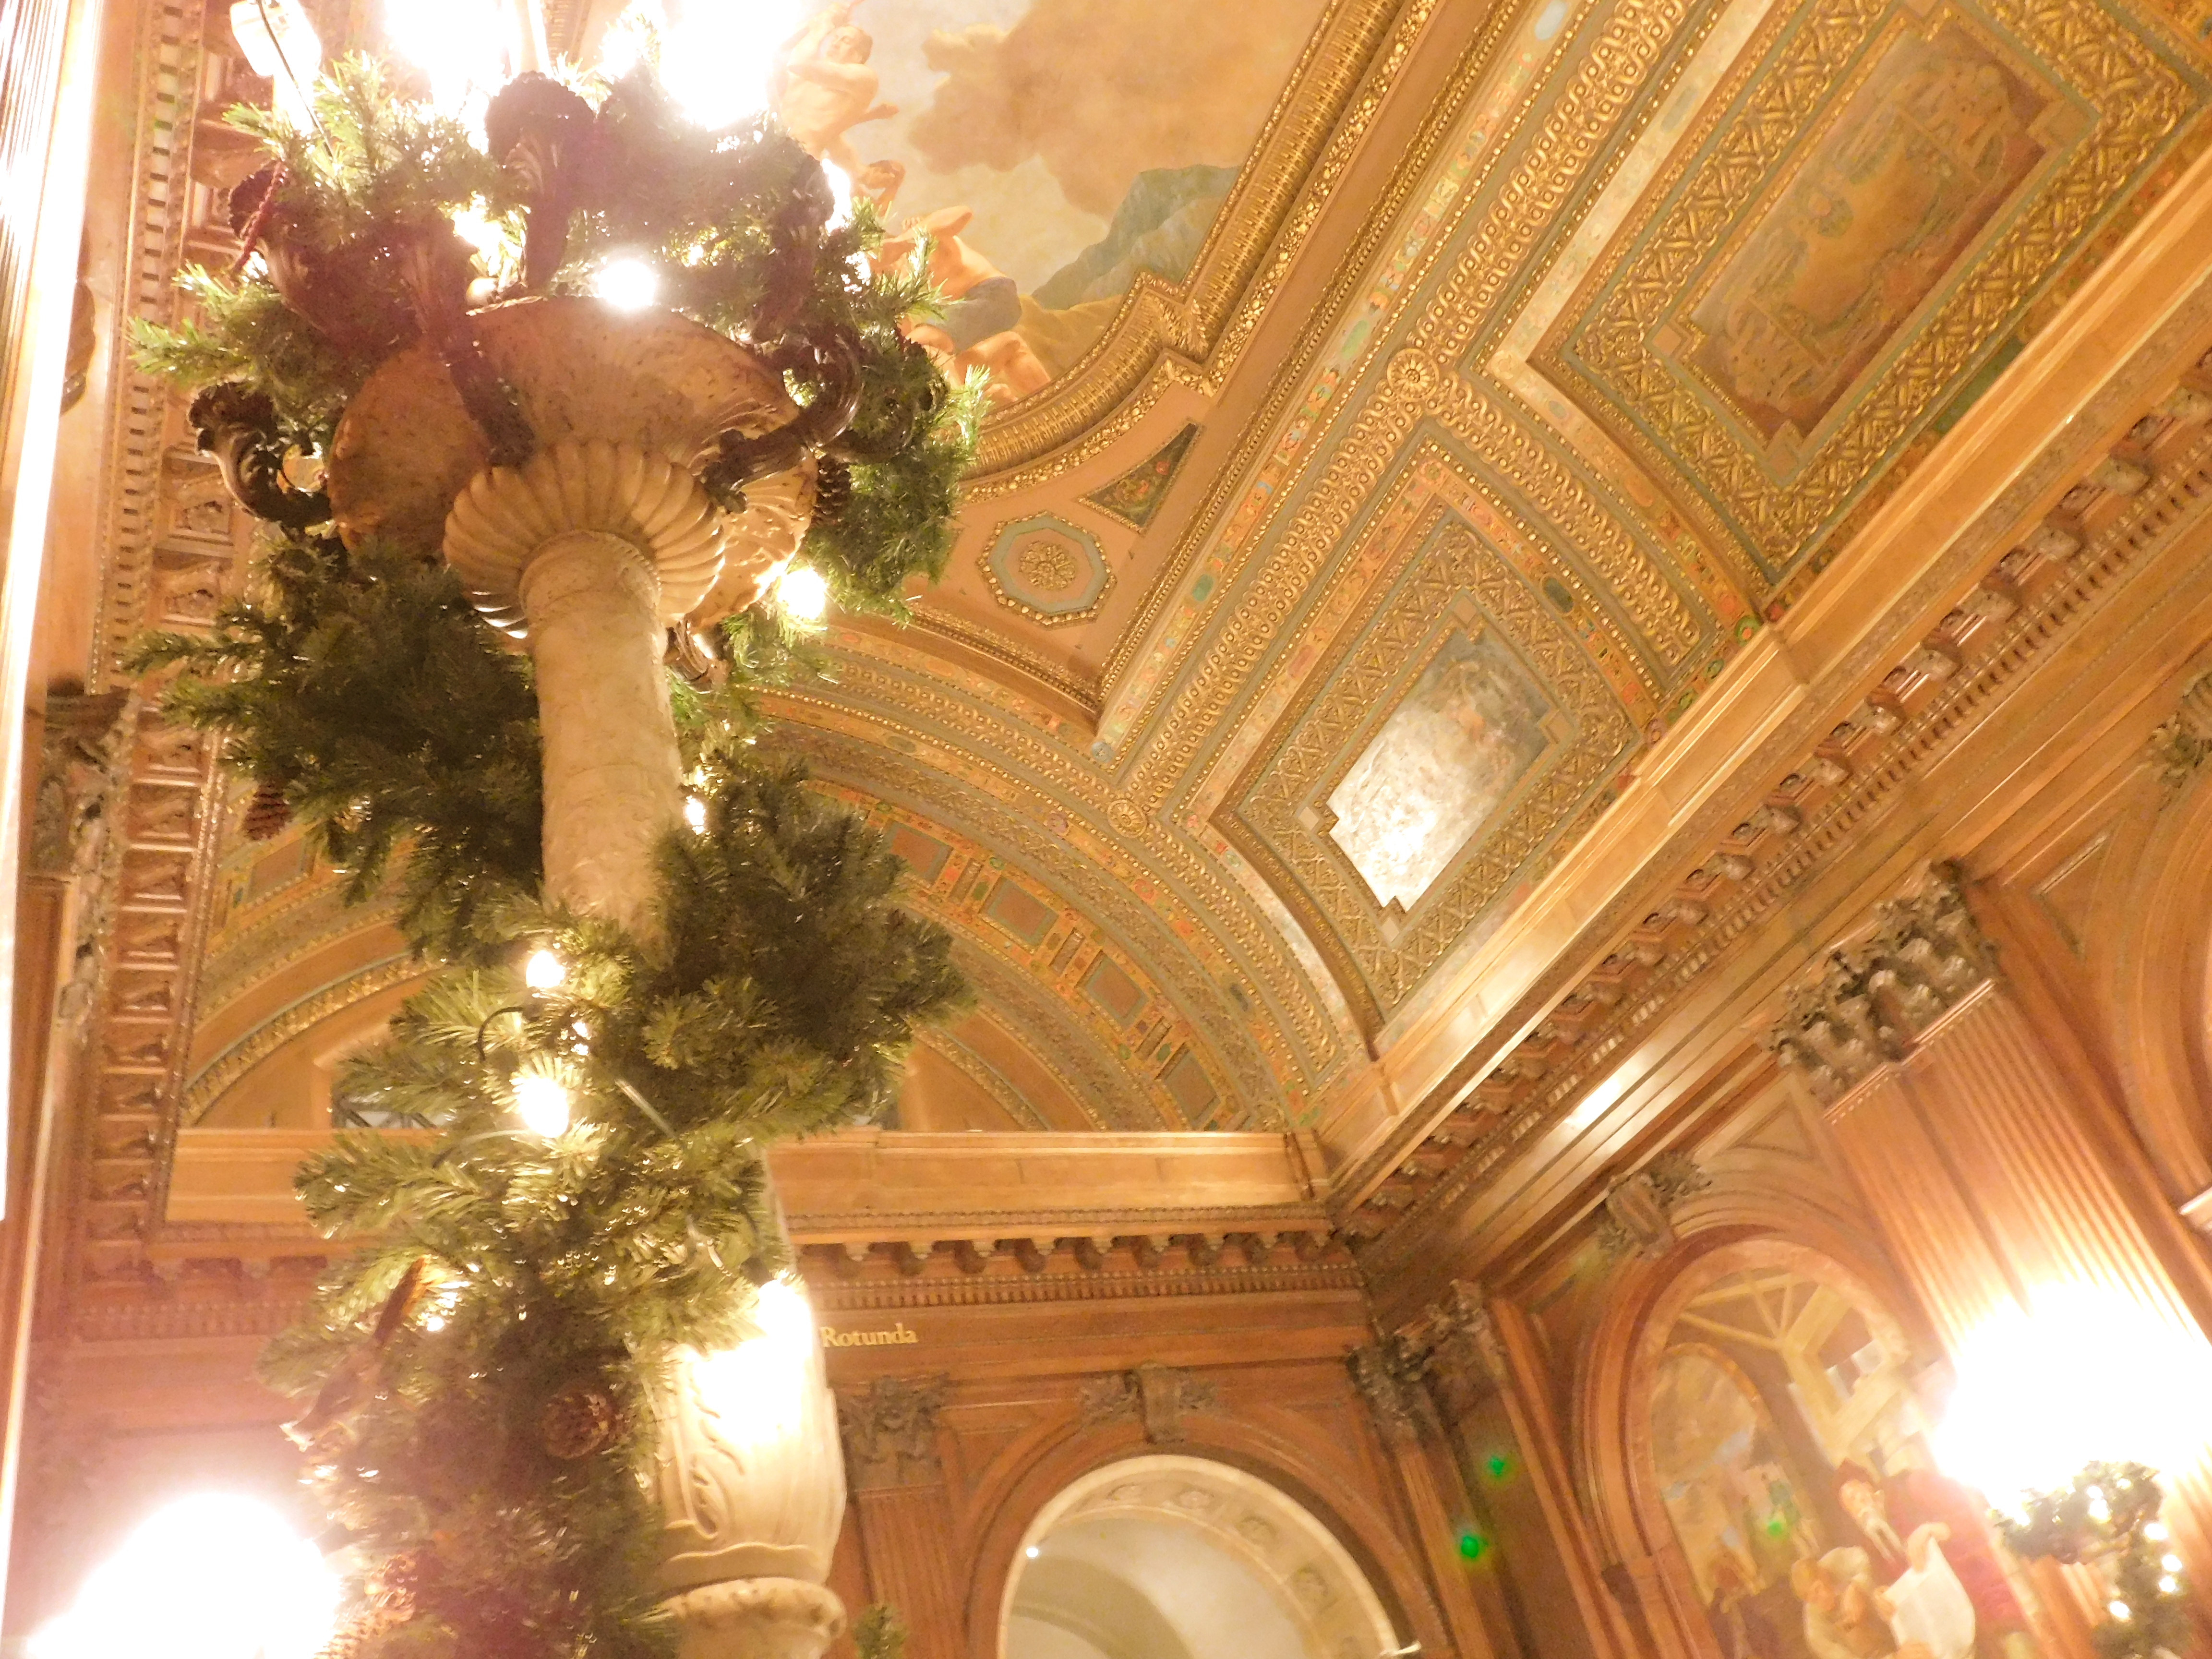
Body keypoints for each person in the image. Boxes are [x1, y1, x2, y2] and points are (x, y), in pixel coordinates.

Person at [1834, 1463, 2033, 1659]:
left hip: (1995, 1609)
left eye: (1854, 1496)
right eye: (1850, 1508)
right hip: (1957, 1641)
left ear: (1868, 1487)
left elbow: (1979, 1510)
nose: (1857, 1509)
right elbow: (1899, 1588)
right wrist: (1884, 1599)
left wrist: (1936, 1529)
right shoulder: (1875, 1543)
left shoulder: (1914, 1486)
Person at [1792, 1550, 1900, 1659]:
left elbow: (1867, 1560)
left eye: (1818, 1589)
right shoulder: (1815, 1629)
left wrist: (1856, 1587)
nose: (1821, 1601)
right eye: (1814, 1600)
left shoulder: (1835, 1561)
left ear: (1822, 1572)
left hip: (1895, 1618)